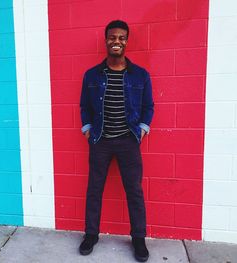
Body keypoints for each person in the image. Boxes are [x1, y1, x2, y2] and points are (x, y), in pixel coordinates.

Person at [79, 20, 154, 262]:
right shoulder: (91, 75)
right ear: (106, 40)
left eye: (121, 38)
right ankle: (91, 234)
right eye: (112, 37)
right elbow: (84, 106)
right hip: (100, 140)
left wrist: (142, 128)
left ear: (127, 41)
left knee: (134, 191)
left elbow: (148, 106)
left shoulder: (140, 75)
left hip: (128, 142)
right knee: (94, 190)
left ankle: (138, 239)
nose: (117, 42)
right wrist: (88, 129)